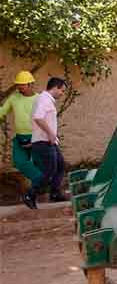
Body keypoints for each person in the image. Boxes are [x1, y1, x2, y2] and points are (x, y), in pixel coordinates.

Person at [0, 71, 43, 206]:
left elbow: (46, 119)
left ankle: (32, 196)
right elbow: (2, 111)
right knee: (19, 162)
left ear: (31, 84)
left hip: (36, 138)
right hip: (20, 138)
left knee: (39, 165)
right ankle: (38, 180)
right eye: (18, 85)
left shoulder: (39, 99)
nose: (19, 87)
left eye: (22, 85)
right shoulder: (14, 98)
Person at [25, 77, 68, 208]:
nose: (62, 93)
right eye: (62, 90)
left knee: (60, 166)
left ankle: (55, 193)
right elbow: (38, 117)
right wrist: (50, 133)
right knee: (49, 171)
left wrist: (53, 137)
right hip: (44, 142)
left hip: (49, 142)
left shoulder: (45, 99)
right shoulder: (44, 99)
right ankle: (30, 195)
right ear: (54, 87)